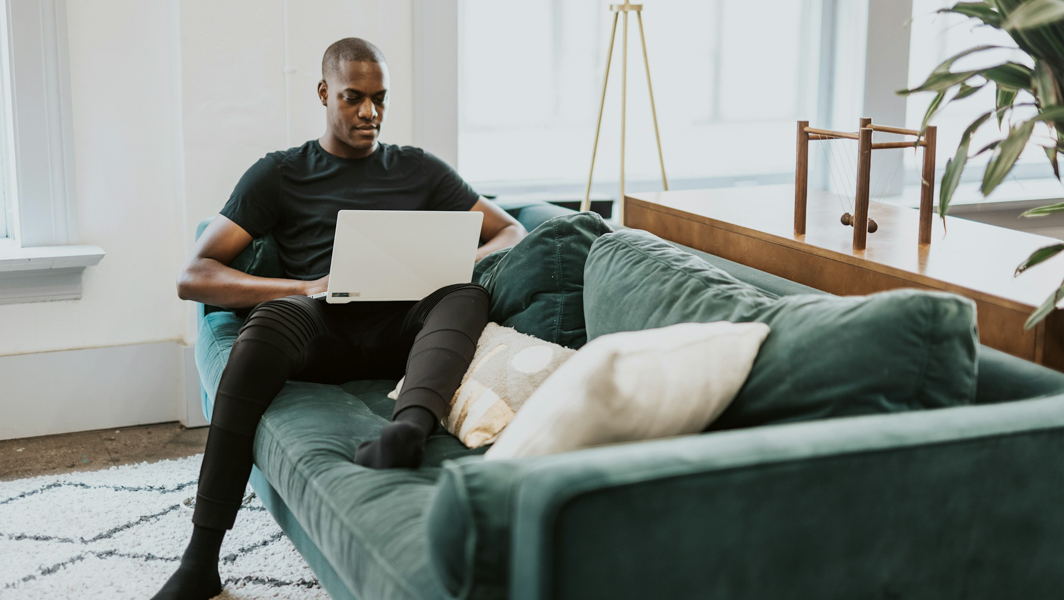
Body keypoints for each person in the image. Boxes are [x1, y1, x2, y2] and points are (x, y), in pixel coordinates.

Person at [150, 37, 526, 600]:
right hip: (322, 324)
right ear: (325, 93)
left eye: (380, 99)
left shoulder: (419, 170)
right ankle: (200, 558)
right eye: (354, 98)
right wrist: (301, 286)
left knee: (464, 295)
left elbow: (510, 232)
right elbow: (194, 275)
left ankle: (408, 429)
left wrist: (454, 264)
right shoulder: (279, 173)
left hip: (406, 333)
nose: (369, 113)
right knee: (270, 322)